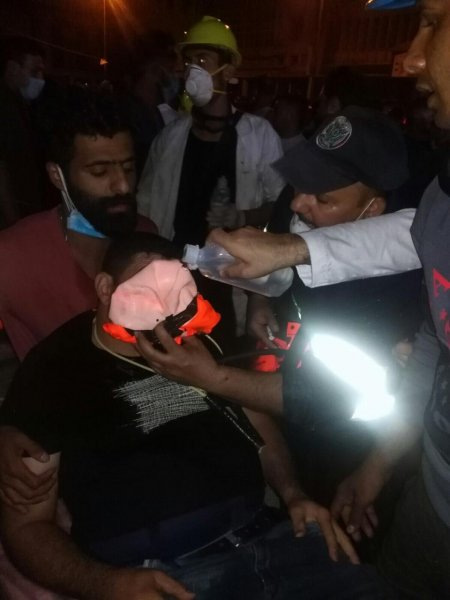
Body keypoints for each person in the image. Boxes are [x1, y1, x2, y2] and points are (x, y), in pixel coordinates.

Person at [0, 232, 389, 600]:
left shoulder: (198, 340)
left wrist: (294, 494)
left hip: (272, 537)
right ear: (105, 288)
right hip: (164, 575)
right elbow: (26, 525)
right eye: (148, 287)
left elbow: (252, 417)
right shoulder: (54, 370)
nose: (165, 308)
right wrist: (106, 585)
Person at [0, 85, 155, 362]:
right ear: (57, 176)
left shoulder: (147, 237)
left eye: (128, 168)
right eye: (100, 171)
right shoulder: (13, 257)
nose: (122, 185)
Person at [137, 16, 284, 244]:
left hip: (231, 262)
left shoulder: (260, 136)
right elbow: (144, 203)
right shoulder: (169, 137)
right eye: (189, 62)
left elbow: (281, 203)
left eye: (203, 60)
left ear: (228, 71)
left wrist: (243, 217)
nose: (192, 71)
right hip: (175, 258)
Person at [0, 35, 46, 227]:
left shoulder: (19, 104)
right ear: (12, 68)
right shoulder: (4, 107)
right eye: (34, 71)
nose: (40, 79)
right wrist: (14, 224)